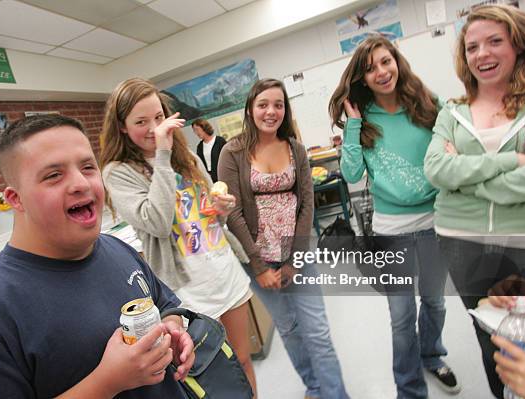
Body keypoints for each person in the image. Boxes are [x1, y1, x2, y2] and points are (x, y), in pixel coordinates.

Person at [0, 115, 194, 398]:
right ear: (15, 199)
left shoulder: (115, 248)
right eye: (53, 175)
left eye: (87, 167)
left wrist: (171, 329)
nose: (80, 183)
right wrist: (106, 382)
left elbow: (165, 304)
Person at [100, 78, 257, 397]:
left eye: (159, 118)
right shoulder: (118, 172)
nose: (155, 128)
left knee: (242, 360)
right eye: (141, 122)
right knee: (208, 377)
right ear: (122, 127)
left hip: (223, 270)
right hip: (188, 291)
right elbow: (155, 222)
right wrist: (161, 154)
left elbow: (205, 213)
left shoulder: (186, 157)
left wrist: (221, 208)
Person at [329, 35, 459, 398]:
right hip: (392, 232)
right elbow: (353, 174)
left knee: (434, 302)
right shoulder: (363, 121)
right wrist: (353, 124)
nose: (381, 72)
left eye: (386, 62)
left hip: (436, 224)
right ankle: (409, 388)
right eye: (370, 69)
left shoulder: (427, 103)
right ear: (363, 79)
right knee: (401, 317)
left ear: (397, 62)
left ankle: (432, 356)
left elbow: (460, 130)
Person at [424, 4, 525, 398]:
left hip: (523, 240)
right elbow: (436, 169)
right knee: (489, 335)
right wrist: (510, 161)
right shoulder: (452, 111)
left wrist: (465, 180)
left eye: (494, 42)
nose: (482, 54)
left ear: (518, 46)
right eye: (472, 47)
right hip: (460, 241)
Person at [218, 78, 348, 399]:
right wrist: (260, 266)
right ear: (250, 109)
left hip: (297, 254)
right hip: (257, 260)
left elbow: (307, 205)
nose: (271, 111)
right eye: (263, 104)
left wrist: (293, 260)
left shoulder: (296, 149)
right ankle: (314, 386)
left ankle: (337, 394)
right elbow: (232, 214)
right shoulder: (232, 152)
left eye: (278, 104)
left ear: (285, 110)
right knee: (288, 328)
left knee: (317, 331)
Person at [192, 118, 227, 182]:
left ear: (204, 128)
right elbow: (200, 163)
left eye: (197, 129)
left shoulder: (220, 141)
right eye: (194, 131)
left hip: (222, 176)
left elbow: (227, 159)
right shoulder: (200, 146)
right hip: (209, 179)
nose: (196, 133)